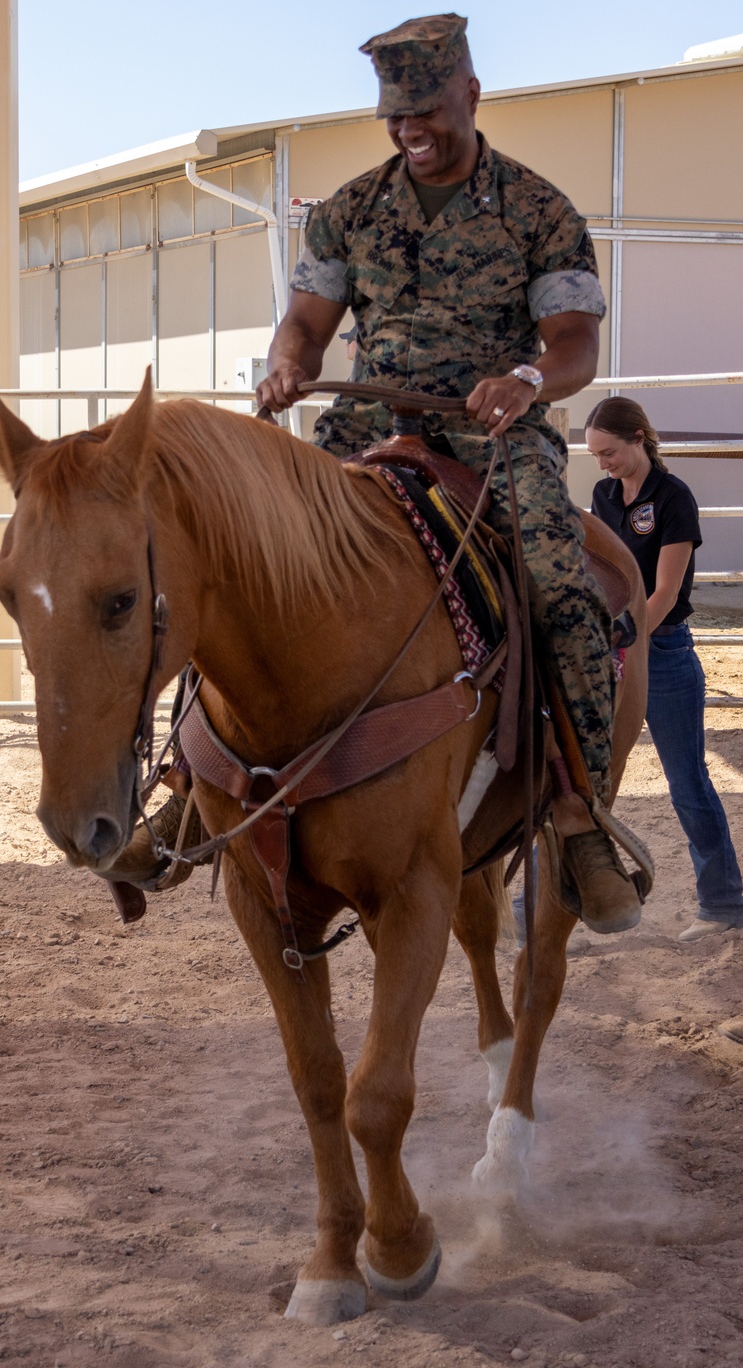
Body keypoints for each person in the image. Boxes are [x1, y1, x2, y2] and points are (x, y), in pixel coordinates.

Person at [253, 12, 640, 933]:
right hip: (362, 424)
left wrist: (529, 380)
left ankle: (581, 815)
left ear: (470, 92)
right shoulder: (350, 209)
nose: (409, 129)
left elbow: (576, 342)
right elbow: (305, 323)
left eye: (425, 109)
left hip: (494, 434)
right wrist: (286, 363)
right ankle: (192, 787)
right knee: (247, 551)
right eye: (395, 115)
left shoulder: (538, 209)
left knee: (559, 587)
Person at [587, 397, 743, 947]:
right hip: (616, 650)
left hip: (664, 649)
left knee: (687, 782)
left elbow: (666, 591)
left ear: (637, 438)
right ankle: (552, 903)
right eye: (596, 456)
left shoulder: (673, 498)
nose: (602, 464)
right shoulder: (604, 497)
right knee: (584, 781)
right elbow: (603, 575)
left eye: (609, 452)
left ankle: (723, 901)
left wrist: (627, 643)